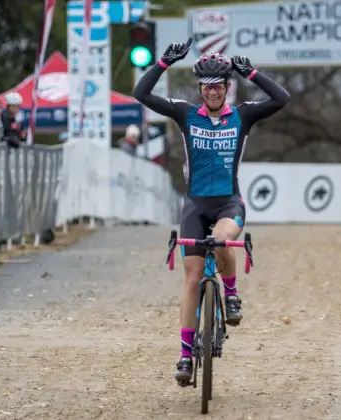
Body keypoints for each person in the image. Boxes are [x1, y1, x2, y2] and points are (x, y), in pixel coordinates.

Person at [133, 38, 290, 385]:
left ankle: (231, 294)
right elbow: (141, 95)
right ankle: (186, 356)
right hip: (194, 205)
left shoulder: (243, 114)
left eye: (219, 86)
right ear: (200, 89)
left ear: (227, 88)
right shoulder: (185, 113)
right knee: (191, 280)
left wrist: (253, 72)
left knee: (220, 241)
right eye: (207, 87)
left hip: (228, 203)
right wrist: (161, 64)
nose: (214, 92)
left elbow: (282, 99)